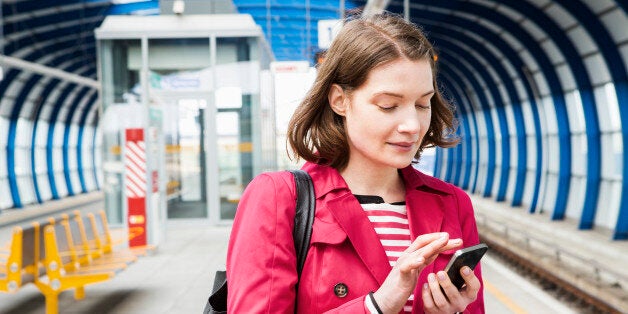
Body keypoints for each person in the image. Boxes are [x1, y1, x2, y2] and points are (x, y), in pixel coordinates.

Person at [226, 12, 484, 313]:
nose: (412, 125)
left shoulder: (452, 202)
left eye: (422, 103)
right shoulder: (279, 199)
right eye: (389, 106)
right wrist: (377, 306)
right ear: (339, 100)